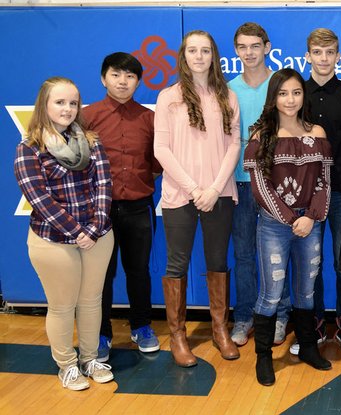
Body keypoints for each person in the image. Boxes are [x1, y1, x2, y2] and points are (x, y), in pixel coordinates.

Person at [14, 77, 115, 390]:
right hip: (52, 240)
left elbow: (104, 185)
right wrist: (76, 232)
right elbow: (40, 199)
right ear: (44, 105)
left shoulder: (91, 141)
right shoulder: (29, 149)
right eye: (60, 102)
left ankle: (90, 359)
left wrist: (95, 227)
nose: (68, 109)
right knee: (61, 306)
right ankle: (67, 365)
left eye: (73, 103)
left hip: (97, 235)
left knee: (90, 301)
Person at [154, 30, 241, 367]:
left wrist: (214, 188)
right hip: (180, 193)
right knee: (177, 262)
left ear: (214, 56)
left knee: (218, 261)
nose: (199, 56)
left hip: (218, 193)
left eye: (206, 50)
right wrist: (193, 189)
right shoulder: (168, 97)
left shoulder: (227, 96)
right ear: (184, 55)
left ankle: (220, 329)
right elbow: (161, 149)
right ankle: (177, 335)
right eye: (193, 50)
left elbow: (234, 144)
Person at [244, 68, 333, 386]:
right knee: (271, 294)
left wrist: (311, 217)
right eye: (283, 93)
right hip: (274, 226)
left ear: (303, 96)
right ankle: (264, 358)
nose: (290, 99)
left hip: (310, 224)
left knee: (306, 292)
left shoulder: (317, 133)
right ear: (273, 97)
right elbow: (260, 189)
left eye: (296, 92)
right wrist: (292, 219)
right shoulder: (260, 136)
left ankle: (309, 348)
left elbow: (324, 182)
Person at [83, 52, 161, 362]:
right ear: (104, 78)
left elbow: (155, 165)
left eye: (130, 76)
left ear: (138, 82)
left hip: (139, 208)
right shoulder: (87, 117)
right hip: (98, 212)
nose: (123, 81)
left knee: (138, 271)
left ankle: (141, 326)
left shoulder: (148, 117)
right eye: (116, 75)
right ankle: (100, 333)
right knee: (100, 275)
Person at [302, 28, 341, 356]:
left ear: (338, 56)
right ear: (308, 56)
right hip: (306, 195)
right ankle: (313, 321)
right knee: (311, 262)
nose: (324, 59)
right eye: (317, 52)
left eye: (330, 53)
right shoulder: (296, 96)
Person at [227, 22, 291, 348]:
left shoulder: (282, 85)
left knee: (276, 255)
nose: (249, 52)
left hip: (276, 185)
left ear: (267, 47)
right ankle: (244, 316)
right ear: (236, 50)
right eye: (242, 46)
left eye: (255, 46)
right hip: (238, 183)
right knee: (244, 255)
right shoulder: (228, 89)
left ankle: (280, 315)